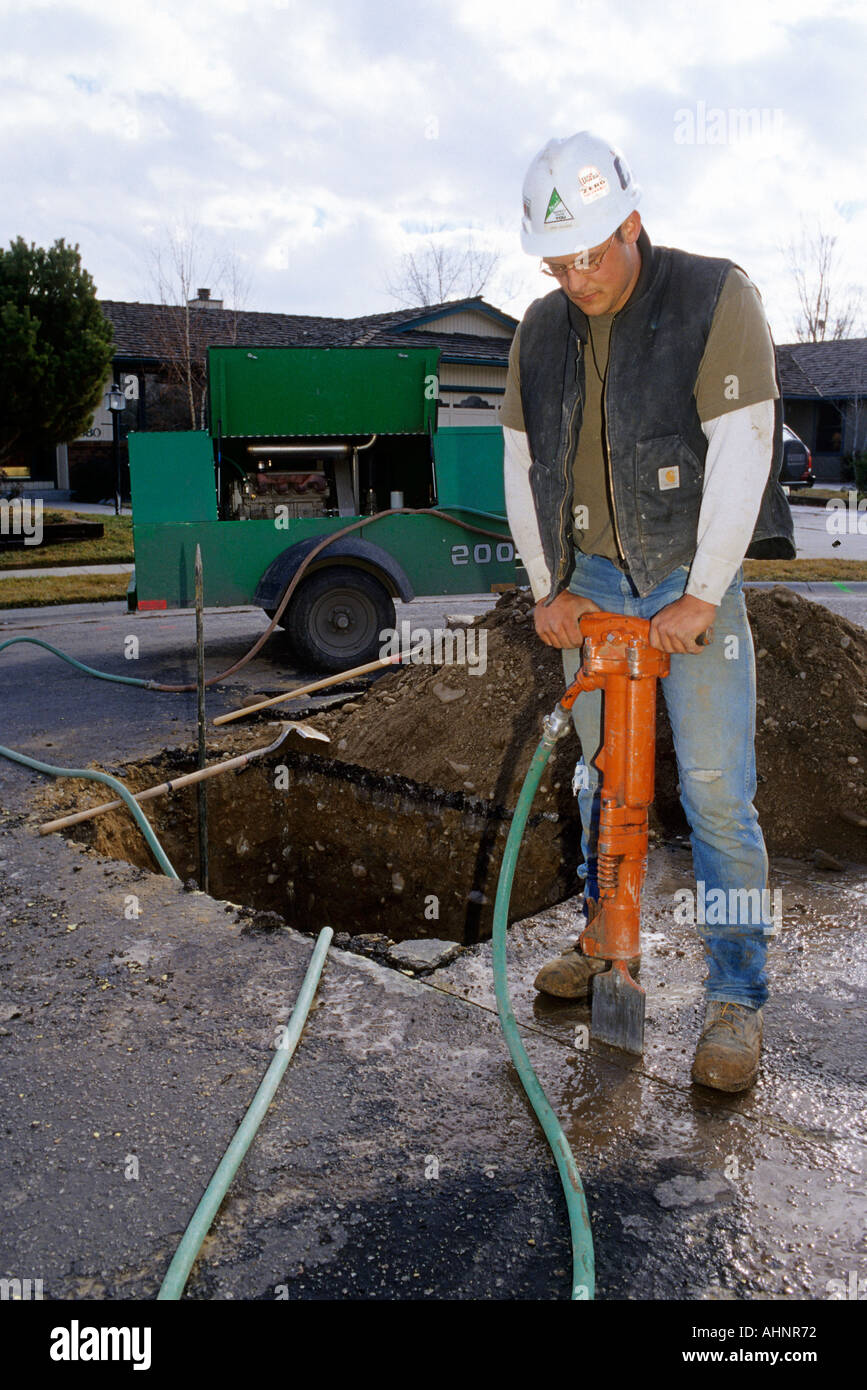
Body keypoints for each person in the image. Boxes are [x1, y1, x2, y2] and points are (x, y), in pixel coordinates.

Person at [501, 131, 794, 1093]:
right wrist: (549, 589)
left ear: (631, 223)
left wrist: (704, 592)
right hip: (590, 580)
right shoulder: (538, 330)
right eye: (557, 261)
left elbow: (745, 442)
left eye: (590, 253)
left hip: (684, 574)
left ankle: (735, 1002)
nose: (575, 277)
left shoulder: (713, 295)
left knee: (714, 795)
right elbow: (521, 461)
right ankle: (602, 937)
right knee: (598, 777)